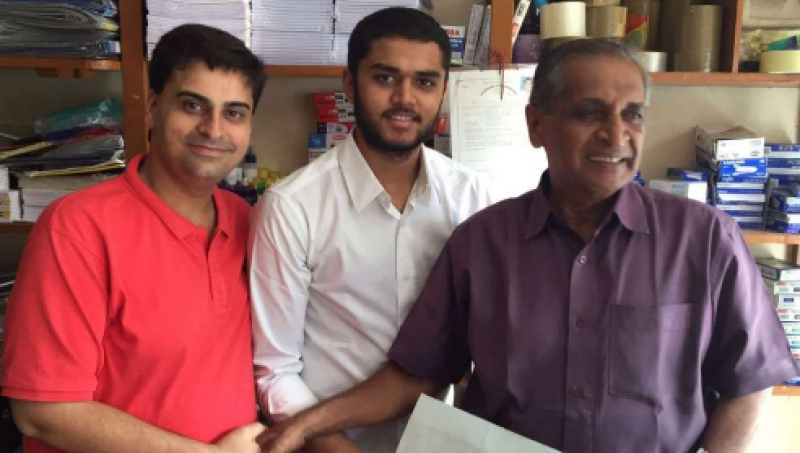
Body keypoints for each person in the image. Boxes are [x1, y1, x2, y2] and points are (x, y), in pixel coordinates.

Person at [258, 39, 799, 453]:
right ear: (536, 125)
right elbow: (418, 371)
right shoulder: (482, 242)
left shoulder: (704, 239)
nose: (616, 135)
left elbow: (749, 381)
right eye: (590, 112)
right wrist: (307, 425)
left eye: (632, 114)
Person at [2, 24, 267, 453]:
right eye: (193, 105)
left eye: (234, 113)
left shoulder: (249, 222)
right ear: (153, 108)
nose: (214, 129)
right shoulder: (76, 228)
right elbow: (42, 411)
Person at [248, 7, 493, 453]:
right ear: (349, 84)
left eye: (425, 82)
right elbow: (275, 371)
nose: (405, 98)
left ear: (443, 89)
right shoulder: (292, 207)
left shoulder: (473, 198)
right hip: (323, 444)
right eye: (385, 78)